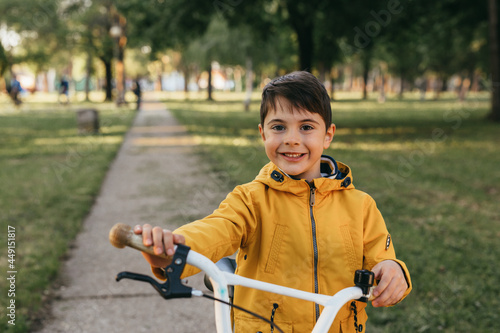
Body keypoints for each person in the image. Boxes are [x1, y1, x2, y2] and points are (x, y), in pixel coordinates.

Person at [134, 71, 412, 332]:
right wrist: (171, 249)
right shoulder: (251, 199)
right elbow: (215, 230)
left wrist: (393, 271)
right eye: (279, 127)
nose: (292, 140)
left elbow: (382, 258)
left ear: (327, 135)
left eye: (306, 127)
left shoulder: (361, 206)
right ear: (263, 133)